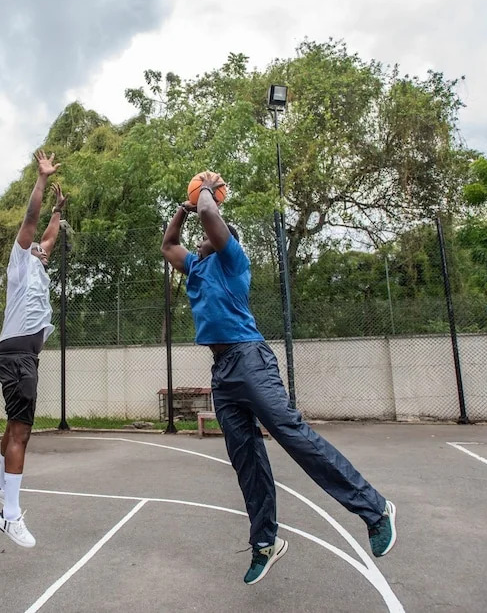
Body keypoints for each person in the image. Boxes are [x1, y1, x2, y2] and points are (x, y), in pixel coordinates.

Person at [160, 172, 396, 585]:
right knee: (245, 459)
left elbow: (211, 214)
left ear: (222, 238)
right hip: (222, 371)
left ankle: (375, 510)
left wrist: (206, 191)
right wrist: (183, 209)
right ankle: (266, 543)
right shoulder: (196, 268)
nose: (200, 238)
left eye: (208, 233)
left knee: (291, 433)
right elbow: (168, 245)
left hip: (250, 358)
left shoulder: (232, 261)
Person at [0, 149, 66, 548]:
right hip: (18, 357)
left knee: (13, 425)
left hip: (20, 357)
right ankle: (9, 515)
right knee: (21, 432)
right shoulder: (20, 264)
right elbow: (32, 223)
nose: (42, 247)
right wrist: (41, 179)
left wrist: (59, 210)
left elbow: (49, 234)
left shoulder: (40, 266)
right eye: (37, 246)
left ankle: (2, 485)